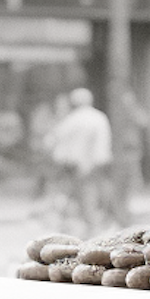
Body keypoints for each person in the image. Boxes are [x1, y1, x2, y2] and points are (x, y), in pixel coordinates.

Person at [44, 86, 113, 230]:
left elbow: (54, 140)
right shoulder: (98, 117)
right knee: (90, 194)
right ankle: (91, 223)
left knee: (74, 194)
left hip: (73, 163)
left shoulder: (72, 119)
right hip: (94, 163)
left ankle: (77, 222)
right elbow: (103, 144)